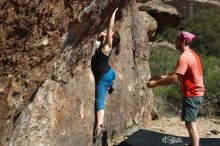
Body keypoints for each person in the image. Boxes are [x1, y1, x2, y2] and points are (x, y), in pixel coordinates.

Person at [147, 31, 205, 146]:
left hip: (192, 94)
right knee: (190, 124)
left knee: (191, 125)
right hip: (196, 93)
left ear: (183, 41)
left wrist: (156, 83)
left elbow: (174, 79)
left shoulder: (184, 57)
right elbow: (178, 74)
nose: (175, 41)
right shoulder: (191, 54)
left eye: (177, 39)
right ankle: (192, 144)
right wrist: (162, 77)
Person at [92, 8, 120, 139]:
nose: (109, 33)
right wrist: (103, 35)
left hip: (104, 77)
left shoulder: (107, 46)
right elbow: (105, 34)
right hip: (109, 73)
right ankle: (110, 85)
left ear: (111, 38)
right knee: (107, 81)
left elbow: (110, 26)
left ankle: (99, 127)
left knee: (99, 101)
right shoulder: (107, 44)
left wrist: (112, 13)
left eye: (111, 34)